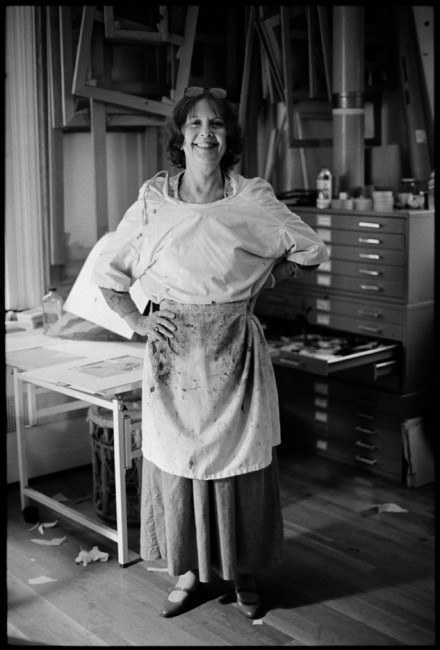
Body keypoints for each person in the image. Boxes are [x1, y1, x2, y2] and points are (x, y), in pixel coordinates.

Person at [91, 86, 329, 619]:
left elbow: (311, 250)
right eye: (195, 124)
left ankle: (242, 573)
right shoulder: (154, 201)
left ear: (229, 136)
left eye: (217, 124)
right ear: (180, 136)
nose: (205, 133)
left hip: (234, 350)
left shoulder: (253, 198)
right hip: (173, 356)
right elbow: (108, 274)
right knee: (180, 465)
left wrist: (266, 278)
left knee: (239, 465)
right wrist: (137, 320)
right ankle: (189, 572)